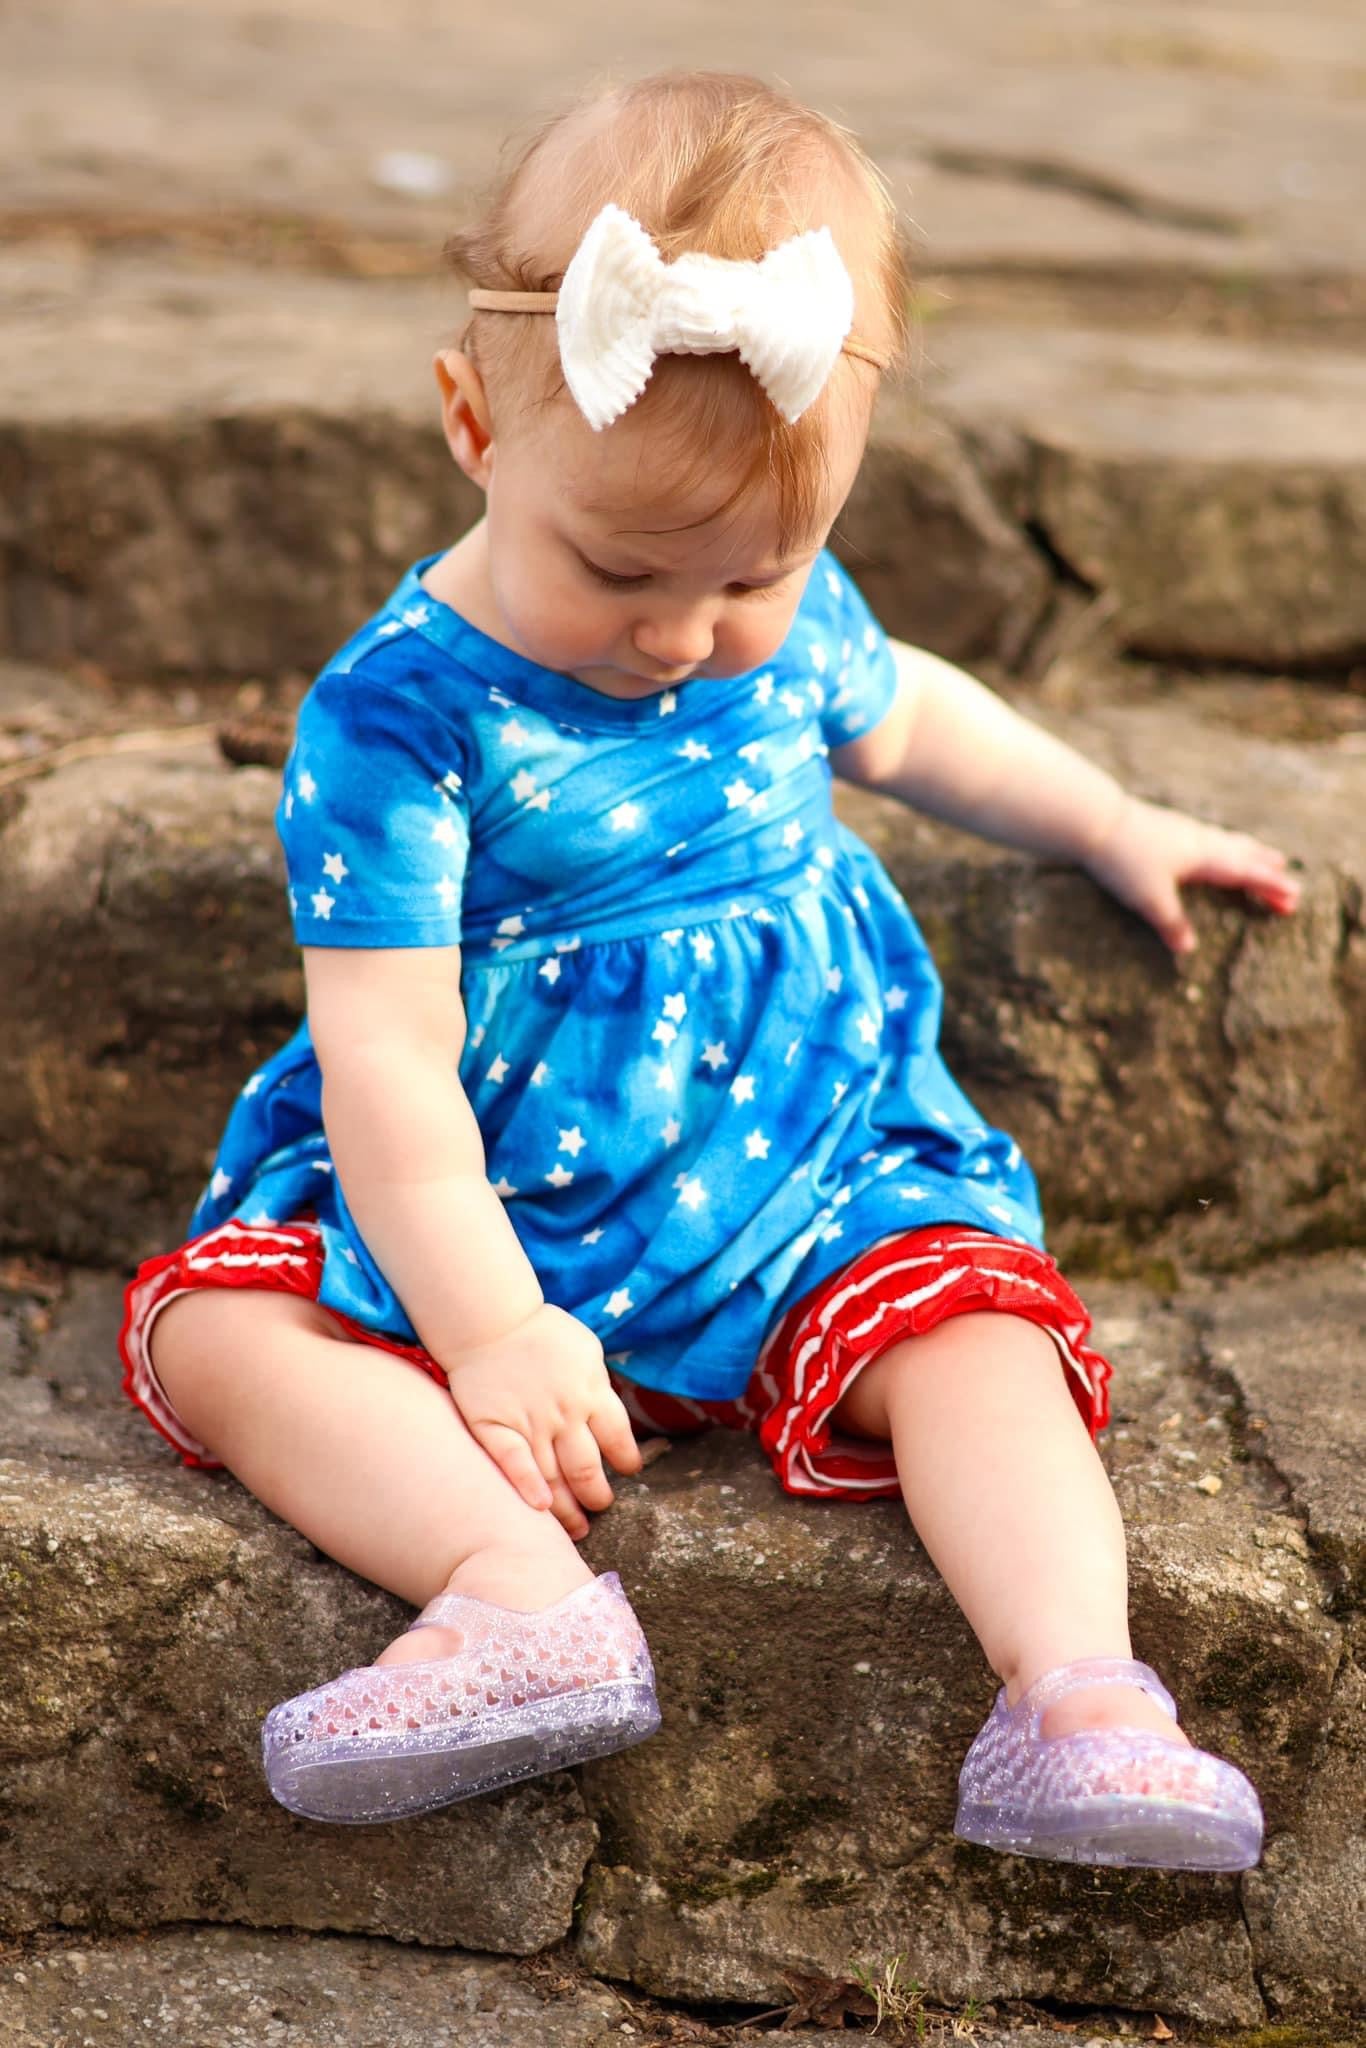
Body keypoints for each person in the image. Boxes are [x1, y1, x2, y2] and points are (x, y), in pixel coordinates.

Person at [119, 72, 1295, 1865]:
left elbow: (920, 723)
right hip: (498, 1188)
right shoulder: (398, 715)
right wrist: (493, 1325)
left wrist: (1108, 820)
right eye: (617, 568)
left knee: (978, 1328)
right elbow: (384, 1061)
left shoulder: (788, 609)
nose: (683, 637)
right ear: (467, 422)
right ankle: (512, 1592)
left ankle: (1078, 1696)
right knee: (219, 1331)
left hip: (802, 1155)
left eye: (753, 577)